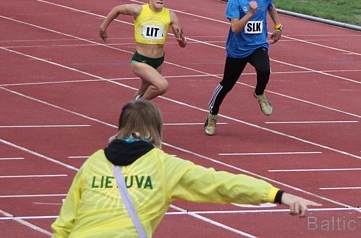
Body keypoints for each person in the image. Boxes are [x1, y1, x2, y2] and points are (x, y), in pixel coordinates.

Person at [51, 99, 319, 237]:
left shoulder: (94, 162)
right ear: (156, 130)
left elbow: (64, 224)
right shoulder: (165, 166)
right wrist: (278, 195)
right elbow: (221, 184)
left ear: (120, 128)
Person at [204, 0, 283, 136]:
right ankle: (212, 115)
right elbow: (235, 28)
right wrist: (250, 14)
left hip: (258, 45)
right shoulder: (236, 1)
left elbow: (271, 8)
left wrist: (278, 27)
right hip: (238, 49)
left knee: (265, 69)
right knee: (227, 84)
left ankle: (259, 93)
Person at [99, 0, 186, 101]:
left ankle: (129, 114)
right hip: (141, 61)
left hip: (158, 62)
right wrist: (103, 28)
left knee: (143, 90)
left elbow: (181, 43)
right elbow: (117, 9)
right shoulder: (139, 10)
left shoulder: (171, 15)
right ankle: (140, 103)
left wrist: (182, 41)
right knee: (162, 85)